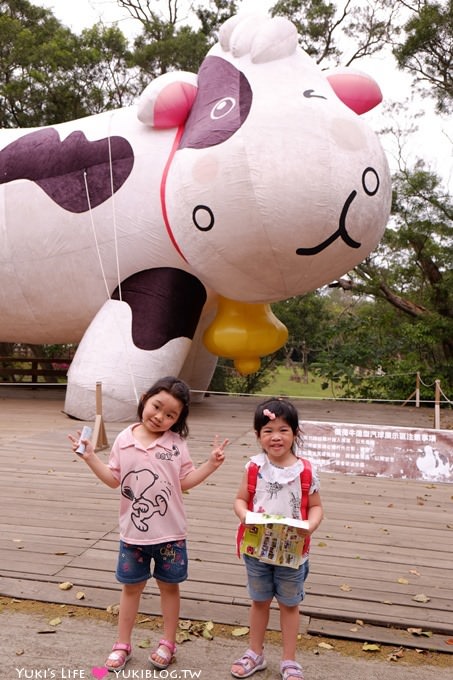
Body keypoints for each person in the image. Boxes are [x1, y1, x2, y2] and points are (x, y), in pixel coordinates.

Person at [68, 376, 228, 673]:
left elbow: (185, 482)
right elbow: (114, 480)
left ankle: (168, 642)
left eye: (171, 415)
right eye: (157, 406)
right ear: (145, 398)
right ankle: (122, 644)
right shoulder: (123, 440)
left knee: (170, 589)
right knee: (131, 589)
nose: (160, 417)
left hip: (171, 534)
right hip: (132, 535)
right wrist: (90, 457)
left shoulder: (177, 444)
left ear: (178, 419)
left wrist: (210, 465)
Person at [231, 398, 323, 680]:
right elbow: (240, 500)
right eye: (268, 430)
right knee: (259, 601)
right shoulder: (254, 468)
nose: (276, 437)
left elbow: (317, 506)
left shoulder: (306, 470)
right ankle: (255, 653)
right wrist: (244, 516)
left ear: (295, 433)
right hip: (258, 550)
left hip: (292, 553)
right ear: (258, 435)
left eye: (283, 429)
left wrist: (310, 525)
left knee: (289, 604)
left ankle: (289, 659)